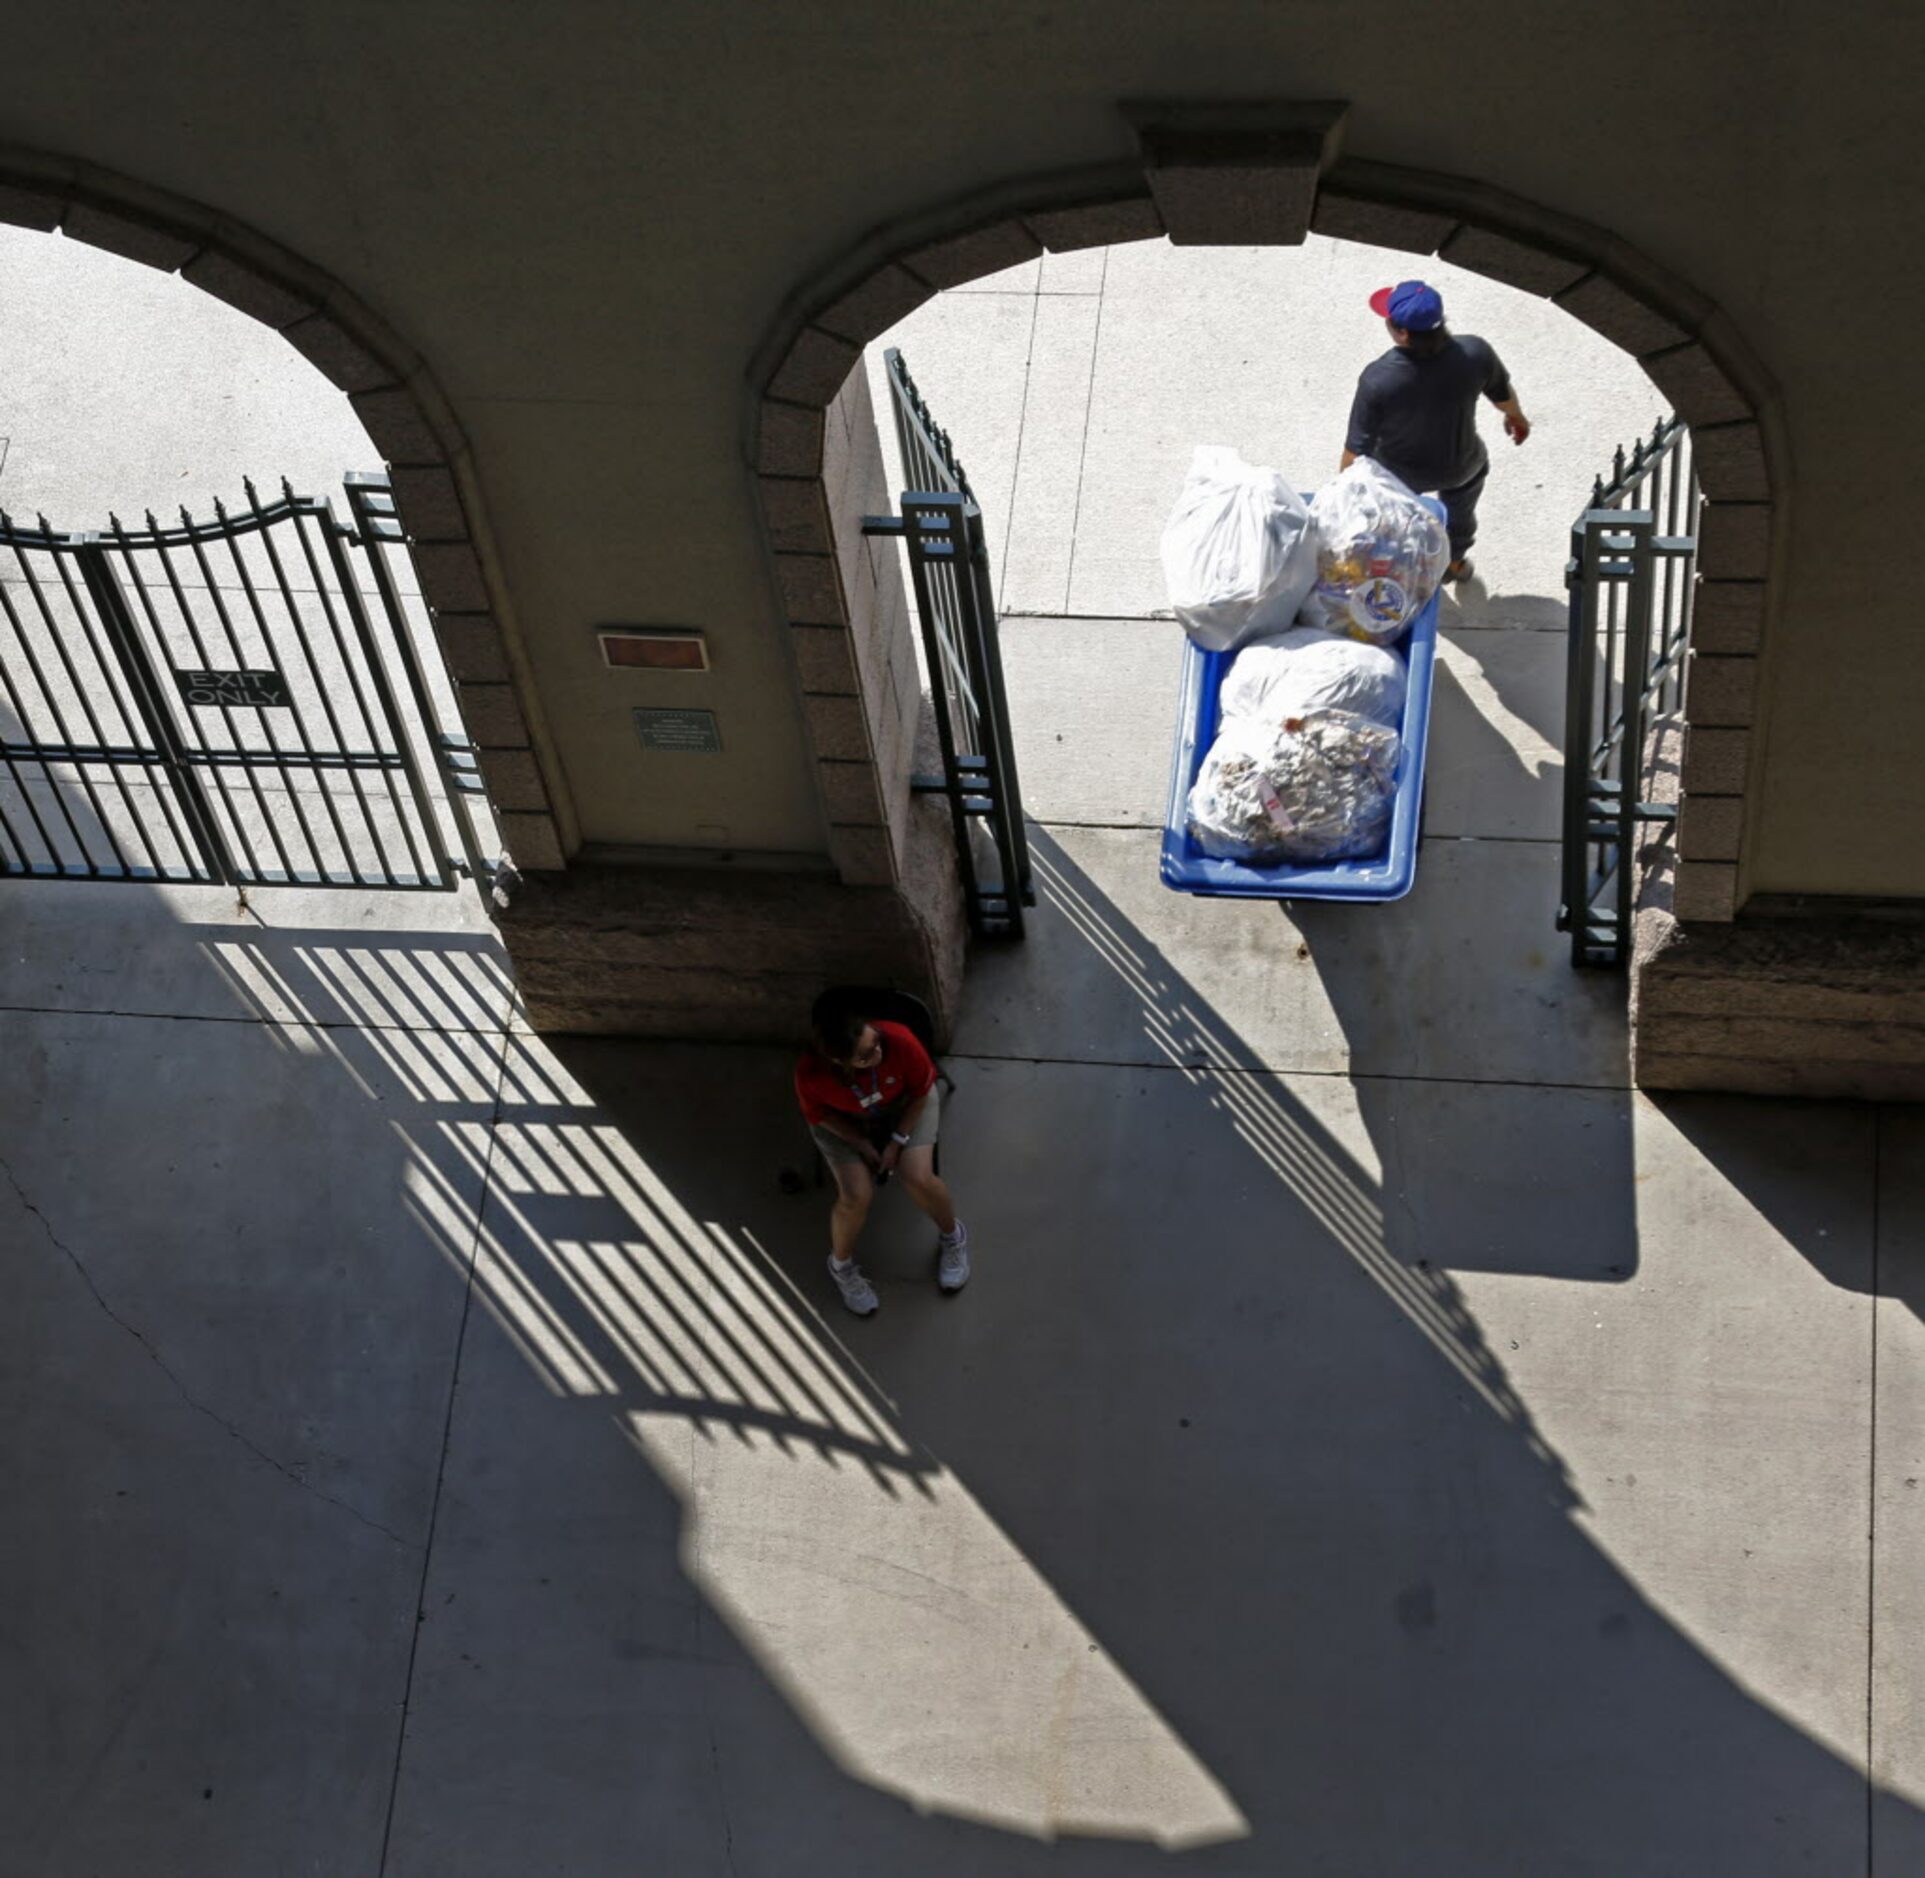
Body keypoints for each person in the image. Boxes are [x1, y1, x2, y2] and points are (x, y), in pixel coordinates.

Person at [1341, 279, 1531, 581]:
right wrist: (1517, 419)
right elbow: (1501, 393)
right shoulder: (1475, 352)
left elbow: (1356, 450)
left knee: (1395, 523)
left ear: (1401, 333)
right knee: (1460, 515)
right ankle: (1453, 562)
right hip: (1462, 466)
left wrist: (1346, 498)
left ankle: (1402, 566)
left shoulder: (1378, 379)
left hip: (1398, 476)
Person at [794, 989, 969, 1315]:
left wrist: (897, 1141)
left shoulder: (899, 1041)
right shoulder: (810, 1075)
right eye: (865, 1055)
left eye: (875, 1042)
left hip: (906, 1104)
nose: (877, 1052)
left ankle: (953, 1237)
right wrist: (860, 1143)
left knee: (917, 1176)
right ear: (838, 1061)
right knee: (854, 1196)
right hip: (845, 1122)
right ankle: (841, 1266)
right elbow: (820, 1115)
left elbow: (920, 1093)